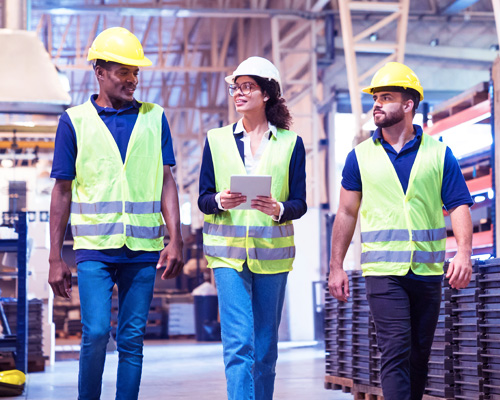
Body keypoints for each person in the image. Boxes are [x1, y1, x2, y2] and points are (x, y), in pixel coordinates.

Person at [48, 27, 184, 400]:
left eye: (136, 72)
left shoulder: (155, 118)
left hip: (142, 249)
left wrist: (176, 238)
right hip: (94, 247)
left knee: (132, 338)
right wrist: (54, 257)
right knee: (93, 333)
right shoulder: (73, 121)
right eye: (124, 70)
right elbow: (61, 190)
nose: (132, 79)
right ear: (100, 71)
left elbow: (166, 180)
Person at [328, 62, 473, 400]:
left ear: (408, 105)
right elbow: (346, 212)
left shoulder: (439, 154)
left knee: (418, 356)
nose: (376, 104)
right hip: (383, 272)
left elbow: (459, 205)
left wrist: (464, 252)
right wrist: (336, 266)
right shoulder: (359, 157)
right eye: (375, 98)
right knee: (395, 351)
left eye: (386, 97)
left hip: (426, 271)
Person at [198, 56, 307, 400]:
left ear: (267, 94)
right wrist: (218, 201)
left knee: (264, 349)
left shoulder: (291, 144)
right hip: (227, 259)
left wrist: (278, 209)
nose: (239, 94)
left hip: (272, 259)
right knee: (239, 345)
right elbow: (202, 198)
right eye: (236, 87)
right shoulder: (215, 140)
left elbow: (300, 204)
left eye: (248, 87)